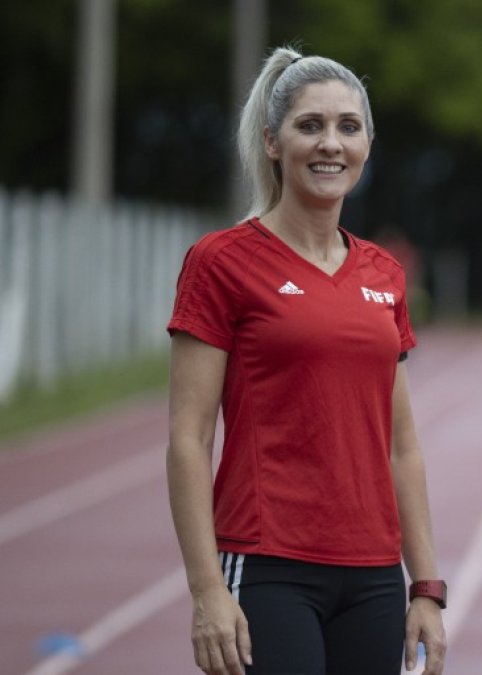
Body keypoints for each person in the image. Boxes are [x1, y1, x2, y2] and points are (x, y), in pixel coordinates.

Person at [166, 45, 447, 675]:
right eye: (309, 125)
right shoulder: (221, 263)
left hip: (373, 574)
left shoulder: (385, 275)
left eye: (348, 127)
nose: (331, 144)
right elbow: (188, 438)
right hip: (267, 566)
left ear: (367, 144)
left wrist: (425, 587)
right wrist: (208, 590)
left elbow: (402, 444)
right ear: (272, 141)